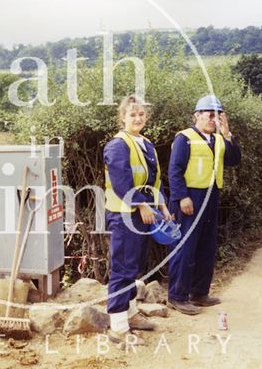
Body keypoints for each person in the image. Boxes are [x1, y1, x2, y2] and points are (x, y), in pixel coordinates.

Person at [104, 95, 173, 345]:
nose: (138, 118)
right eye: (132, 114)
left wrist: (162, 205)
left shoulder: (146, 144)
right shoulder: (117, 145)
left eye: (141, 114)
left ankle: (131, 313)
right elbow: (122, 183)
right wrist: (142, 204)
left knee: (135, 267)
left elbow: (154, 181)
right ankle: (118, 328)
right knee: (123, 269)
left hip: (143, 214)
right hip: (125, 215)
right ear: (123, 117)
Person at [167, 95, 242, 315]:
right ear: (197, 115)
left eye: (218, 115)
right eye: (210, 115)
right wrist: (181, 197)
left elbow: (234, 160)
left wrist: (228, 134)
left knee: (207, 246)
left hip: (211, 197)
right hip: (190, 197)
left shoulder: (219, 139)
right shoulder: (185, 138)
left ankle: (199, 293)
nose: (214, 119)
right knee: (185, 246)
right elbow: (175, 170)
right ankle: (177, 296)